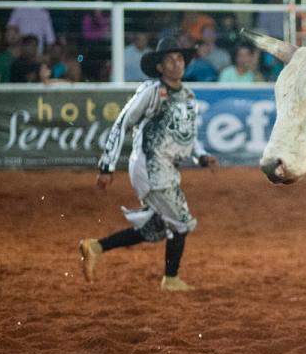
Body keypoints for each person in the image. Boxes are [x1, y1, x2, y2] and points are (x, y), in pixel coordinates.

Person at [78, 37, 218, 291]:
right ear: (160, 67)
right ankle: (171, 279)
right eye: (170, 60)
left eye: (179, 58)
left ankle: (96, 246)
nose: (177, 63)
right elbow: (122, 122)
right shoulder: (151, 92)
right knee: (181, 222)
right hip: (150, 167)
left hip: (166, 169)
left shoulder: (188, 95)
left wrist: (201, 156)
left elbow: (188, 135)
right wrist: (107, 166)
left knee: (156, 227)